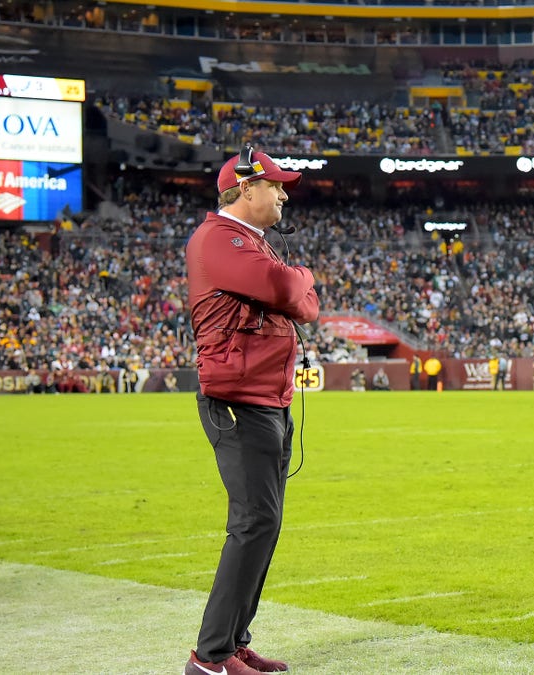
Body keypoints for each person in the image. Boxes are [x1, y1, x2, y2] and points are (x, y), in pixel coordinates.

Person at [184, 149, 319, 675]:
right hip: (239, 399)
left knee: (265, 522)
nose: (283, 194)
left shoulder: (247, 244)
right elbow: (291, 290)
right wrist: (301, 276)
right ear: (245, 188)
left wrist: (296, 287)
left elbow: (303, 305)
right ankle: (209, 656)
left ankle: (234, 642)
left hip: (266, 398)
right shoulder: (221, 238)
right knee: (254, 521)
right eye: (276, 186)